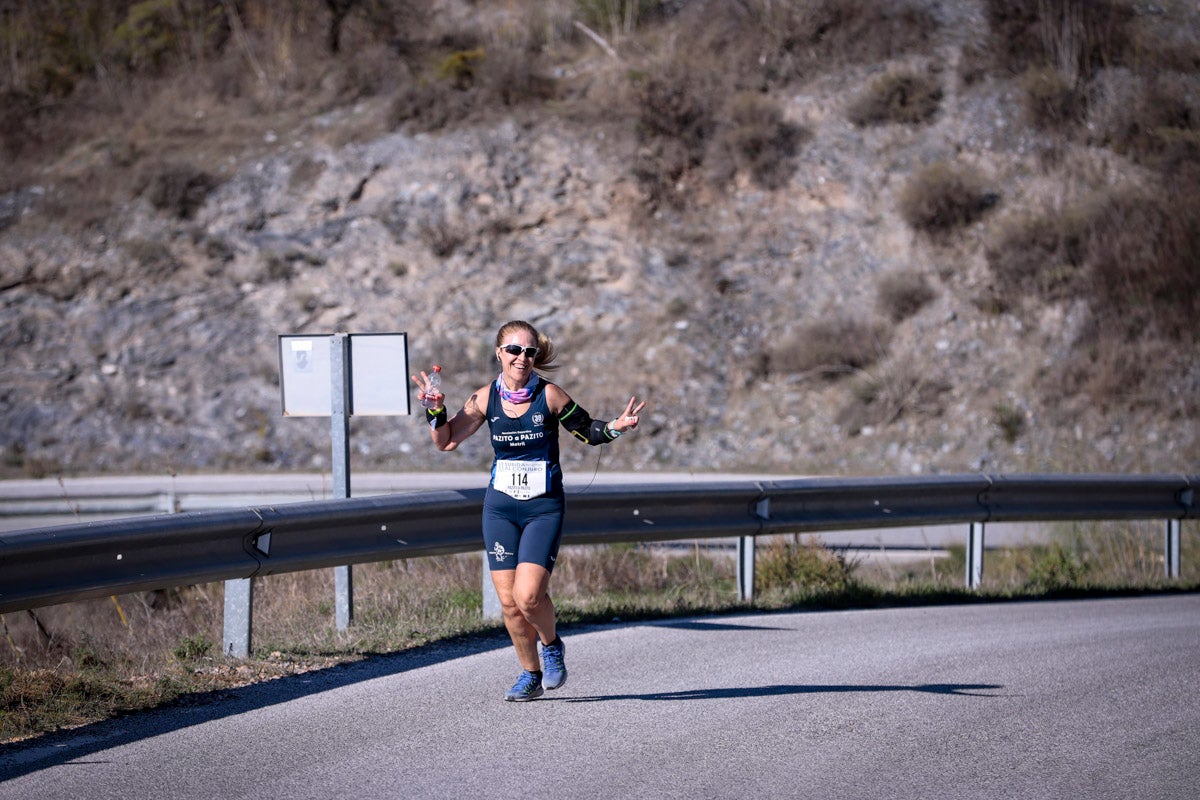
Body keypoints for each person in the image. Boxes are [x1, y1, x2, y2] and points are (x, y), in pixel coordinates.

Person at [411, 320, 645, 701]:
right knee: (508, 603)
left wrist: (616, 426)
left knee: (529, 596)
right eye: (515, 350)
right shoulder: (484, 398)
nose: (523, 357)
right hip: (500, 507)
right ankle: (530, 674)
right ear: (500, 353)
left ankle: (551, 646)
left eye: (530, 351)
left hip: (542, 508)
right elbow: (446, 441)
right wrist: (436, 412)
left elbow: (588, 432)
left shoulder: (549, 395)